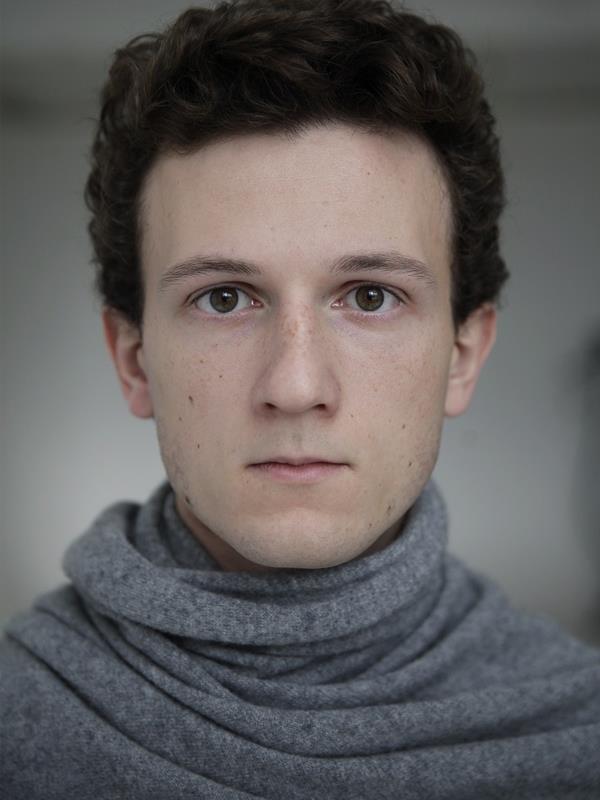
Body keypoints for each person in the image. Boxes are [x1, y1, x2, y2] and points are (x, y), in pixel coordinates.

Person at [1, 0, 599, 797]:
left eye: (371, 296)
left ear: (462, 356)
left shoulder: (580, 734)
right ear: (133, 360)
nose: (295, 386)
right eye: (223, 298)